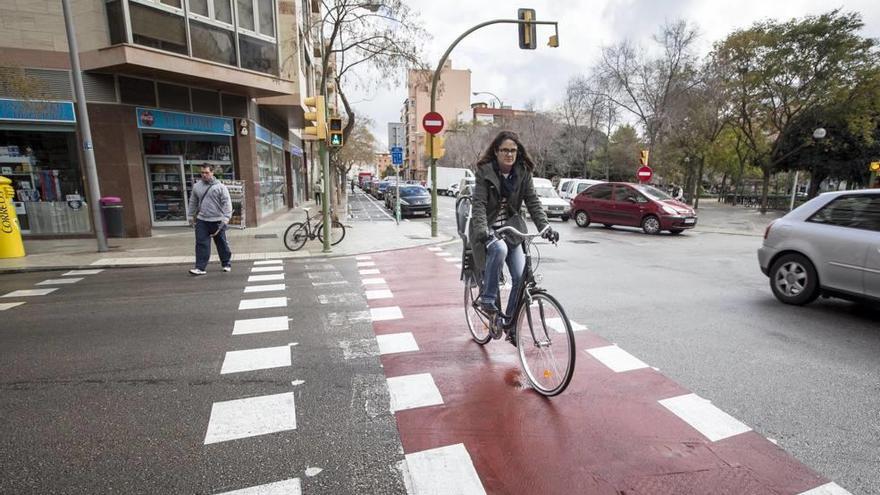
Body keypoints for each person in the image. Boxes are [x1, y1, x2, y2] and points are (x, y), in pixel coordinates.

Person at [469, 130, 558, 343]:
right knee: (498, 249)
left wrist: (545, 226)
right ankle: (488, 300)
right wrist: (482, 231)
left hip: (512, 230)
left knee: (521, 276)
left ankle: (508, 324)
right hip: (488, 229)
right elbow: (479, 204)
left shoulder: (523, 172)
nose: (510, 154)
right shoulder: (484, 171)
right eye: (505, 150)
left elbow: (533, 201)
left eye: (513, 151)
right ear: (496, 151)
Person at [187, 164, 232, 275]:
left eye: (206, 172)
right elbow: (193, 202)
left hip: (217, 220)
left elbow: (227, 203)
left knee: (221, 243)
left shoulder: (220, 187)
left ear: (212, 172)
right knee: (201, 243)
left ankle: (226, 263)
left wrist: (226, 218)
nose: (204, 175)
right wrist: (190, 216)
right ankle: (200, 268)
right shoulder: (197, 186)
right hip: (202, 220)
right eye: (202, 173)